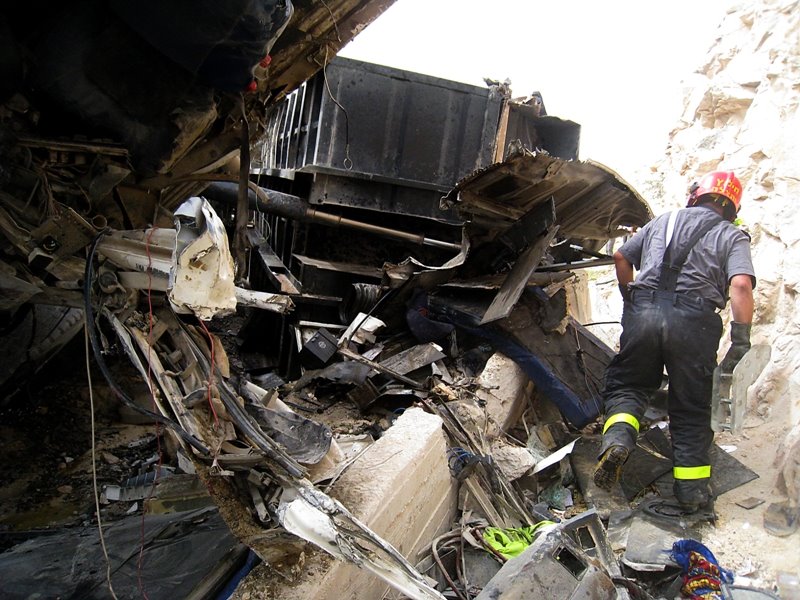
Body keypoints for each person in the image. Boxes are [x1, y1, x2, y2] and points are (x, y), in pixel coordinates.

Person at [593, 170, 756, 512]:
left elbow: (622, 257)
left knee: (629, 385)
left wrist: (630, 299)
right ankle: (691, 493)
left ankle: (618, 441)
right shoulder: (732, 235)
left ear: (696, 195)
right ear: (732, 208)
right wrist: (741, 340)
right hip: (693, 323)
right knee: (692, 406)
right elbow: (740, 286)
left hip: (645, 312)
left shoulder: (663, 221)